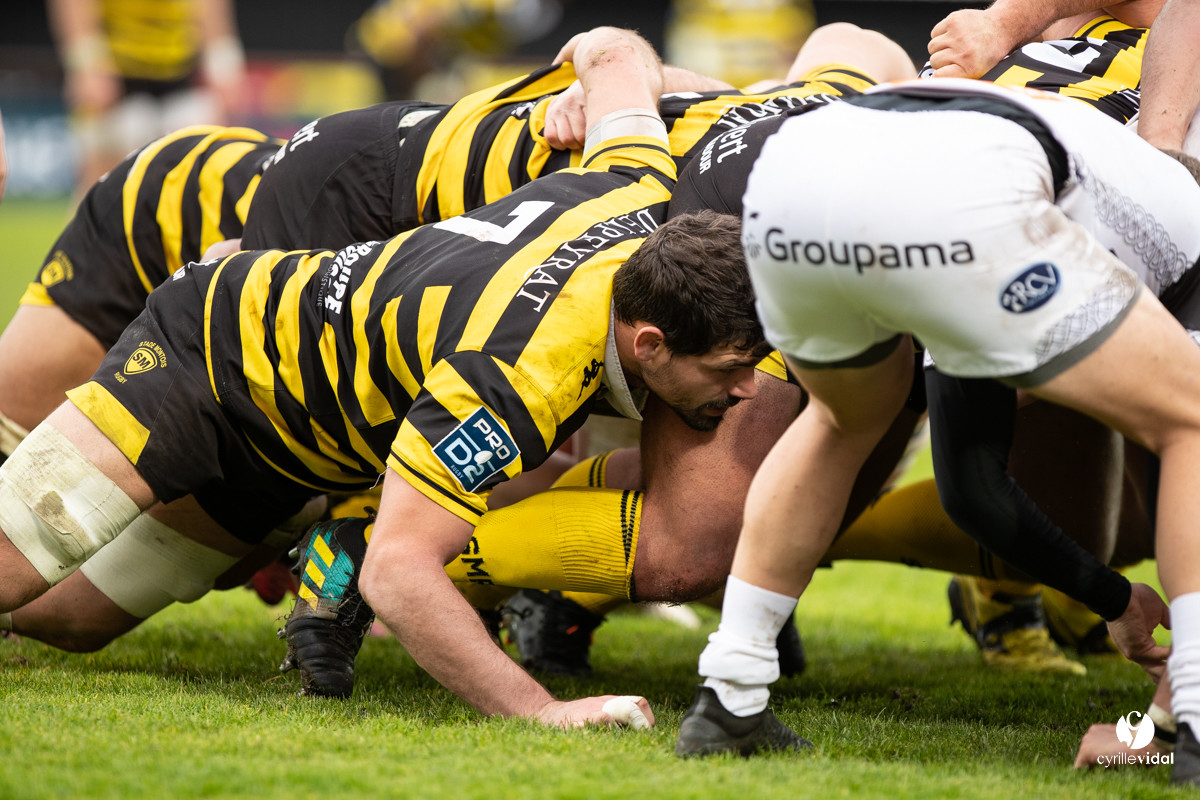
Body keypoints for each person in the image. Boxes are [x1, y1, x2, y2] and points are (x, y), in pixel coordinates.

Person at [0, 26, 772, 729]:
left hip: (303, 437)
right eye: (732, 371)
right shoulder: (517, 374)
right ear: (648, 342)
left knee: (68, 619)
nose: (746, 392)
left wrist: (589, 73)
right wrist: (542, 712)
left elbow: (611, 50)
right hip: (207, 354)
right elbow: (399, 575)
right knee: (18, 557)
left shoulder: (637, 185)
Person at [673, 78, 1200, 780]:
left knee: (840, 420)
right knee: (1192, 423)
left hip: (798, 172)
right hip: (962, 182)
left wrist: (1109, 597)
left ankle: (729, 694)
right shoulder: (1180, 225)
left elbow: (974, 486)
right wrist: (1156, 729)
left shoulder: (1108, 166)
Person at [47, 0, 247, 199]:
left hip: (181, 73)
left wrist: (224, 65)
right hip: (115, 77)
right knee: (102, 187)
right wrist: (86, 62)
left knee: (197, 185)